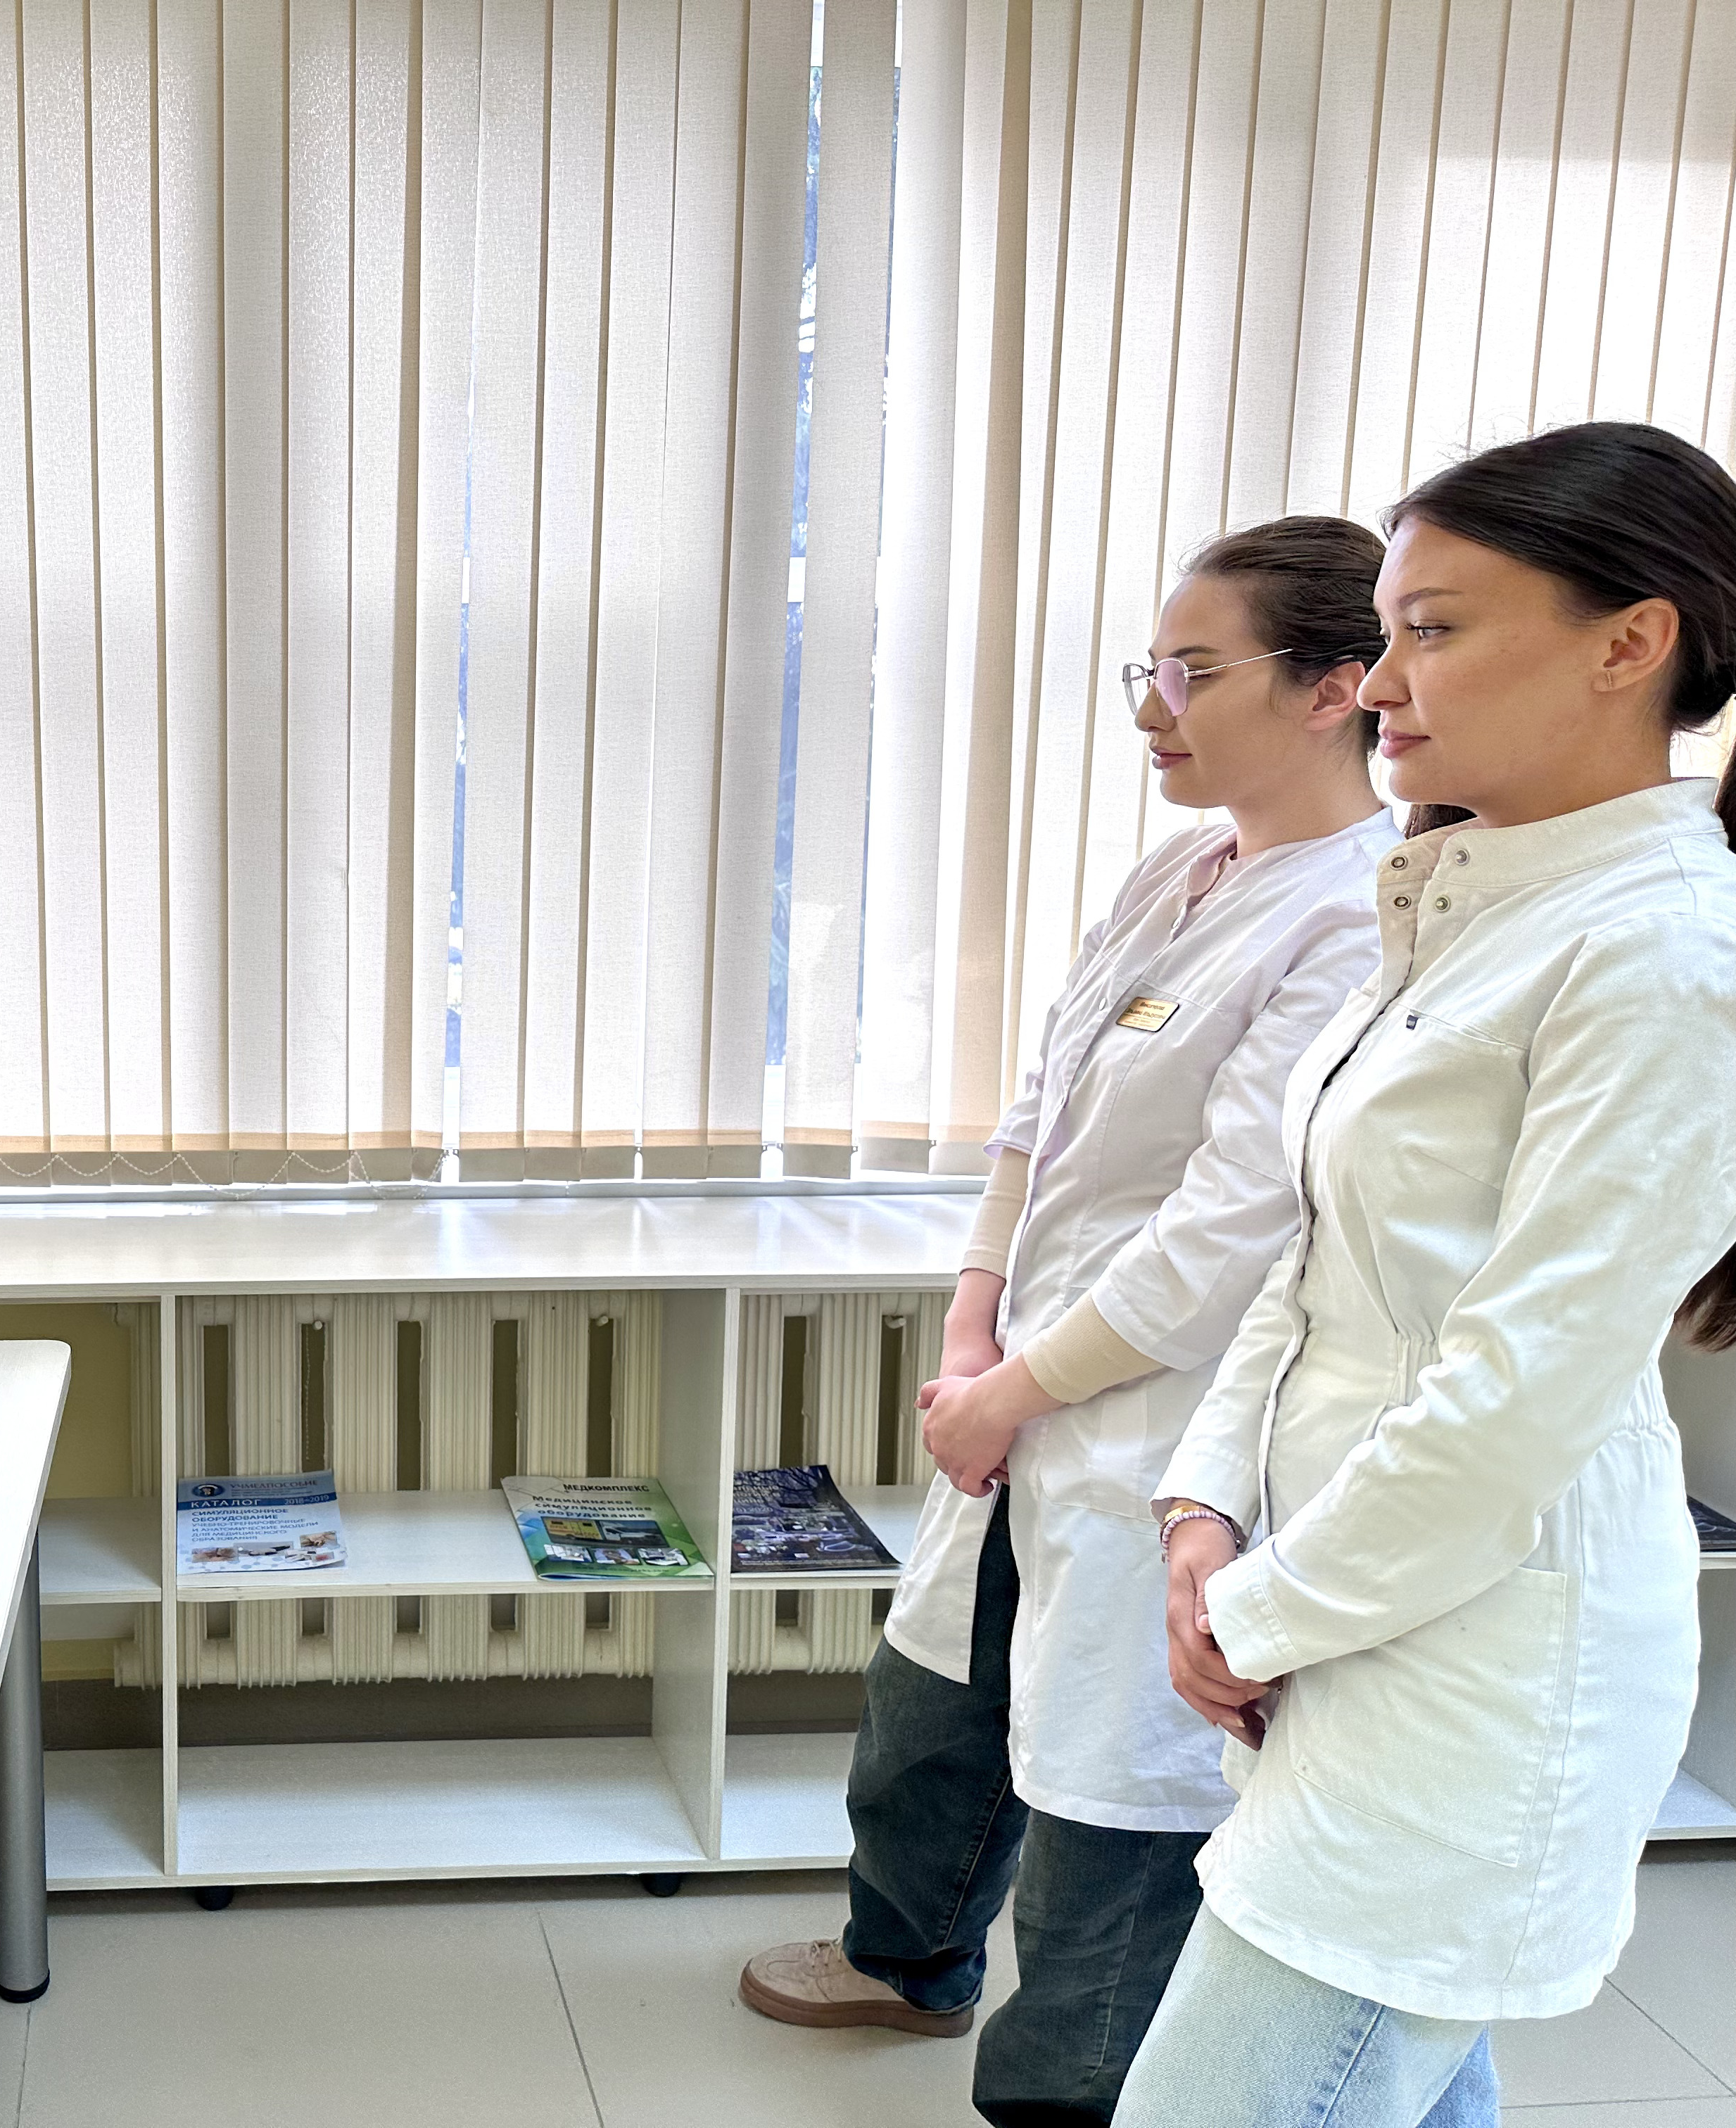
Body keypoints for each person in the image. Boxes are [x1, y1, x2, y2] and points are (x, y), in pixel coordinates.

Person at [738, 519, 1402, 2127]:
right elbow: (1039, 1107)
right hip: (1029, 1383)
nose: (1154, 708)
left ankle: (1072, 2096)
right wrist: (974, 1327)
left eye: (1195, 672)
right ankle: (908, 1960)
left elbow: (1225, 1238)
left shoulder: (1354, 920)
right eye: (1148, 670)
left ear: (1336, 689)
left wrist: (1010, 1391)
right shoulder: (1182, 868)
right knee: (932, 1714)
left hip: (1154, 1425)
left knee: (1110, 1819)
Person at [1123, 424, 1736, 2128]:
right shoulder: (1468, 898)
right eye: (1389, 630)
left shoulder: (1665, 951)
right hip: (1347, 1604)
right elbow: (1315, 1253)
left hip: (1475, 1676)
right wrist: (1204, 1511)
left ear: (1632, 643)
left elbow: (1515, 1398)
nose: (1381, 683)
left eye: (1436, 631)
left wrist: (1252, 1612)